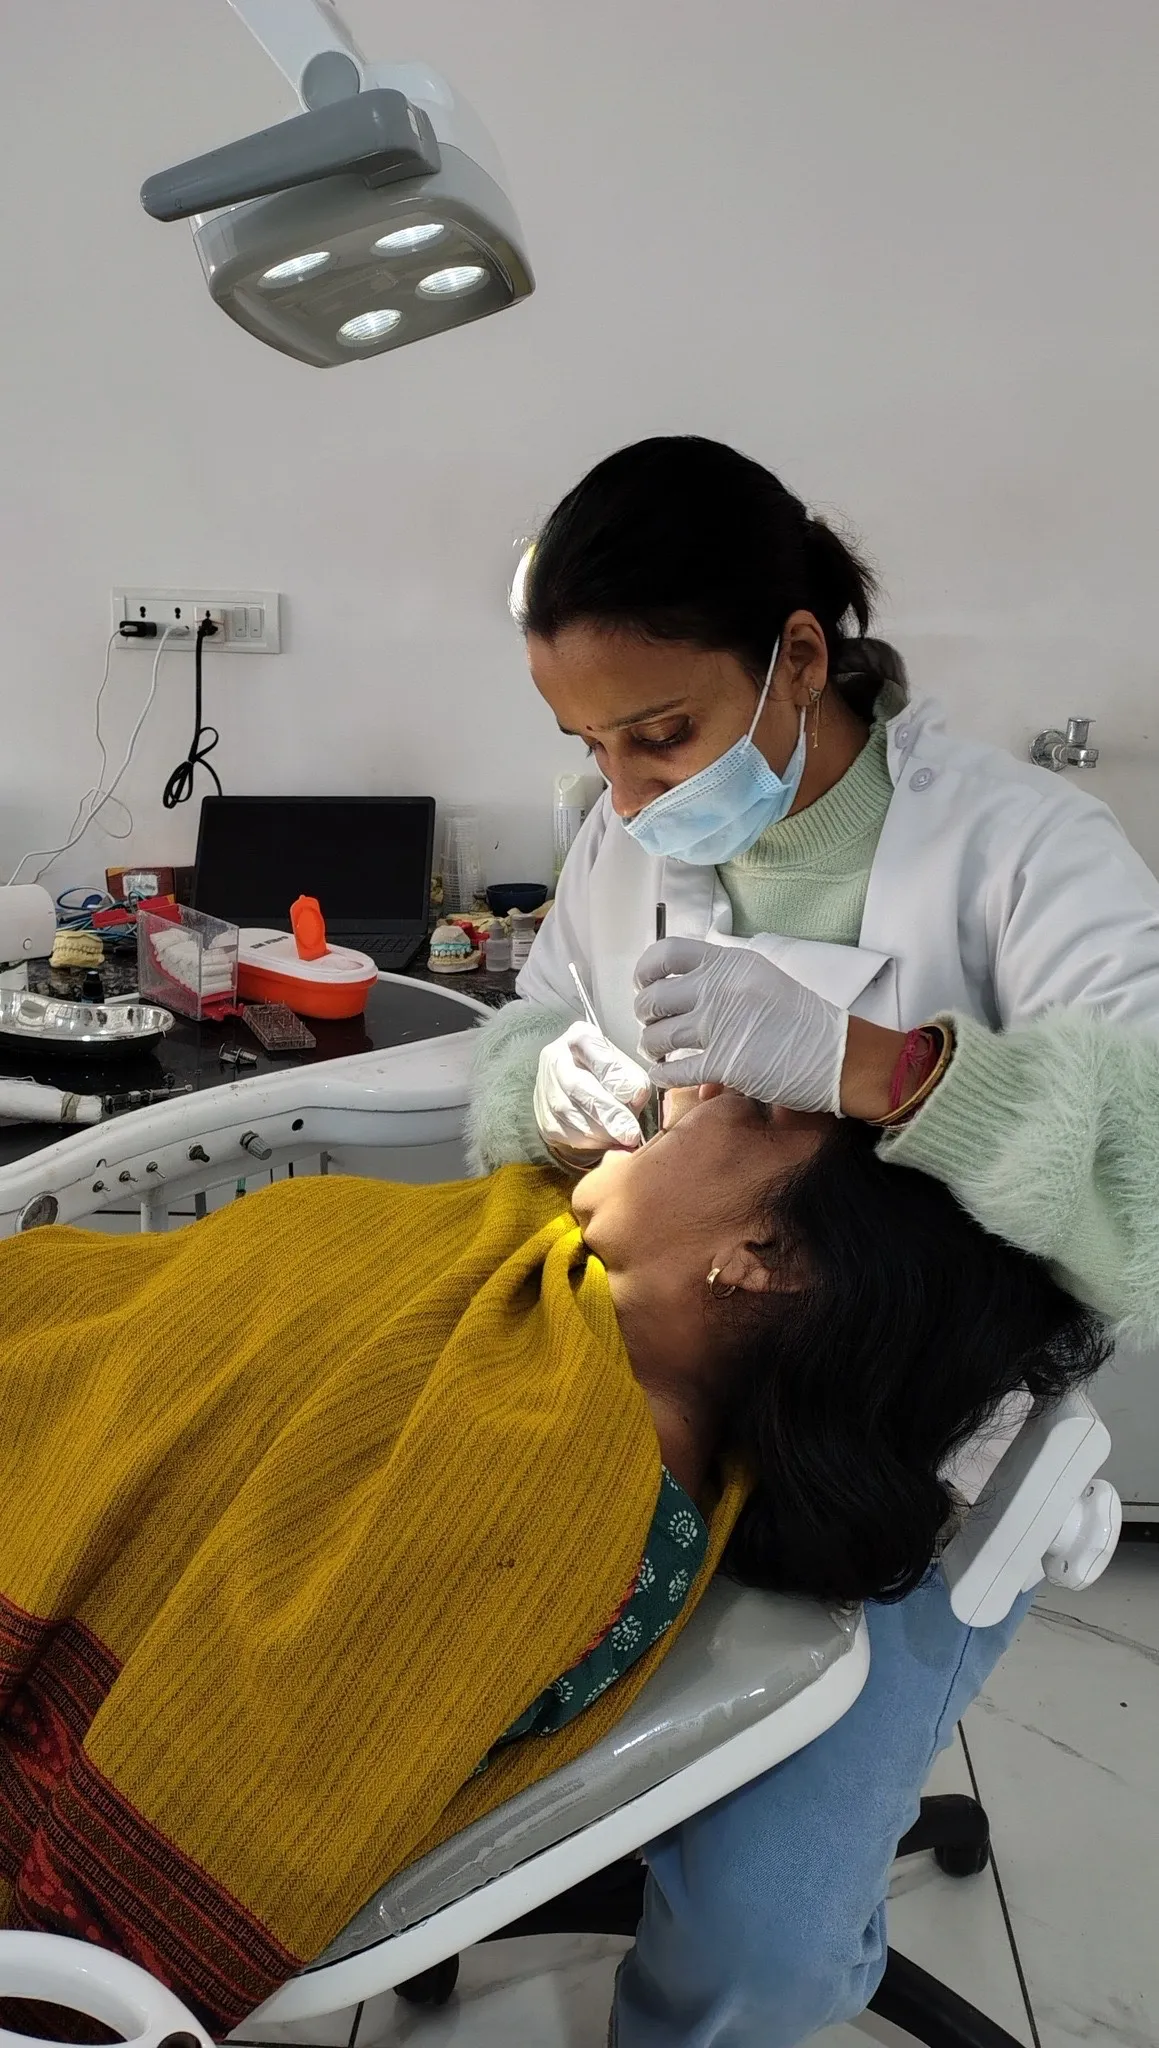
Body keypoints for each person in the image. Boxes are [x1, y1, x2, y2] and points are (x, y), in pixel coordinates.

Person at [467, 433, 1159, 2046]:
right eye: (589, 746)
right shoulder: (619, 833)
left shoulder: (1020, 845)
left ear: (795, 650)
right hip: (641, 1396)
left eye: (661, 733)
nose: (628, 792)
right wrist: (535, 1080)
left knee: (756, 1947)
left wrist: (883, 1070)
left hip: (897, 1445)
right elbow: (532, 1025)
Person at [0, 1094, 1101, 2033]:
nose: (691, 1090)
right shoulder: (547, 1265)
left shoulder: (532, 1490)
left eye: (753, 1110)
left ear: (764, 1259)